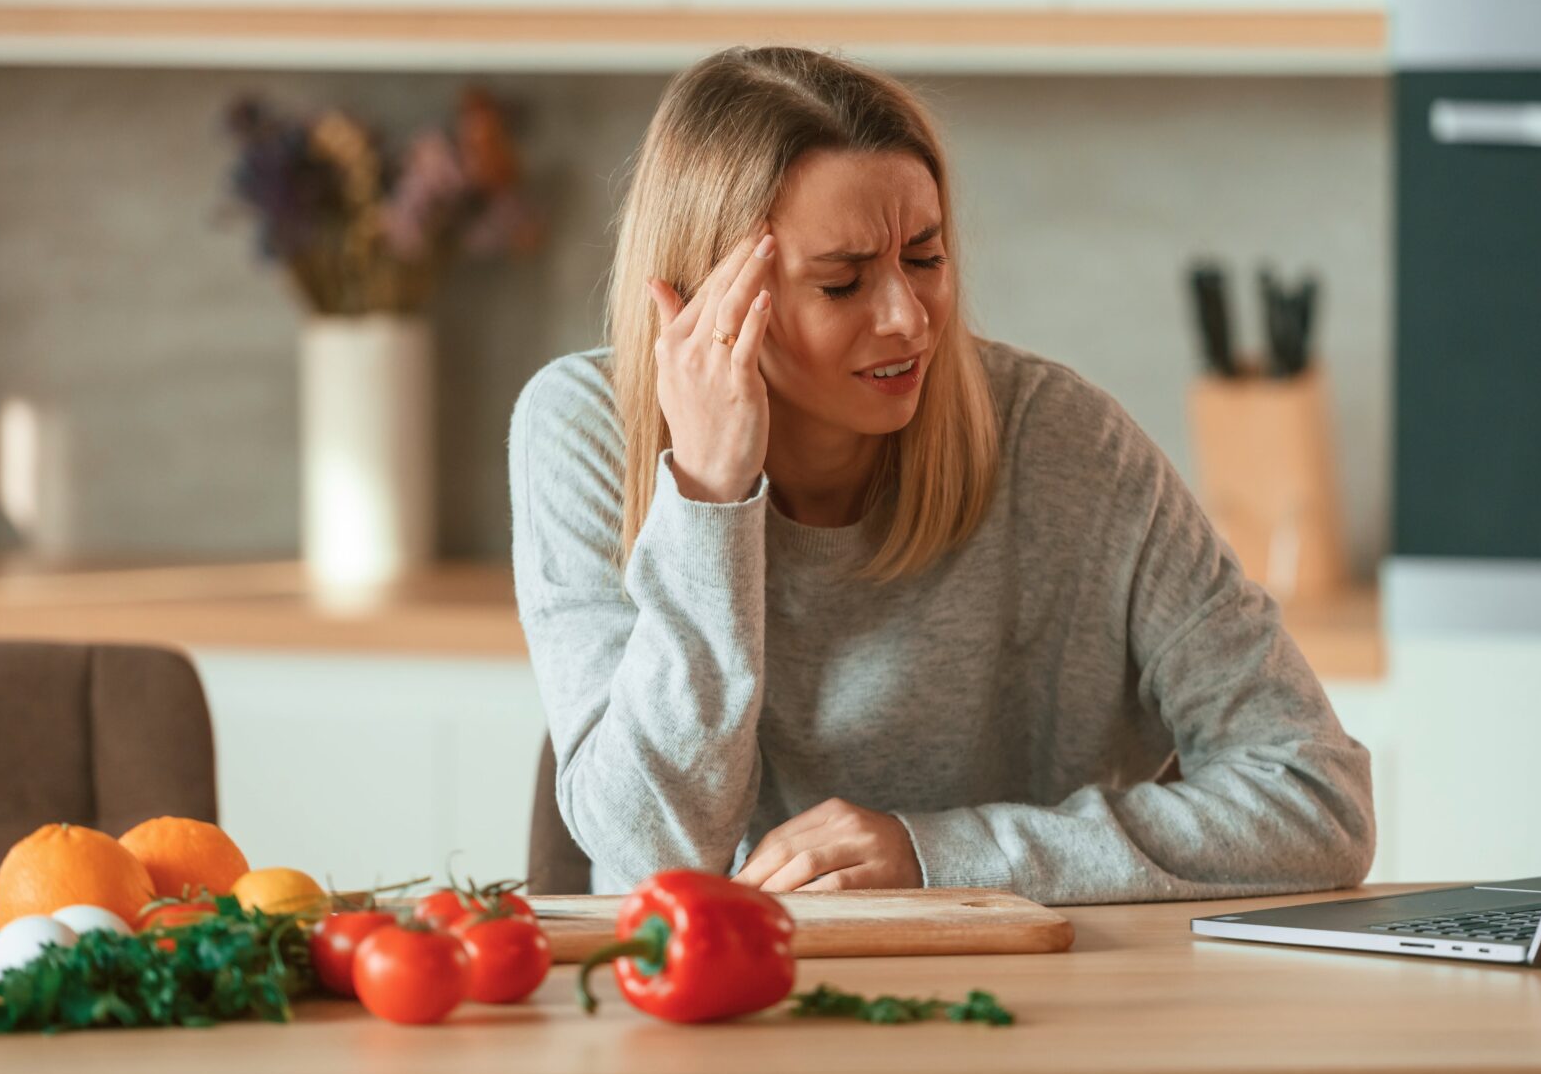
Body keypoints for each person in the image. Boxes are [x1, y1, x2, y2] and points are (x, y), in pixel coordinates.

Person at [508, 45, 1374, 903]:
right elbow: (656, 849)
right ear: (710, 301)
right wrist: (706, 497)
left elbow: (1318, 798)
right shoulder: (583, 428)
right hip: (703, 1006)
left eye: (924, 259)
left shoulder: (1063, 441)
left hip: (1023, 998)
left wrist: (941, 856)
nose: (907, 319)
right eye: (843, 283)